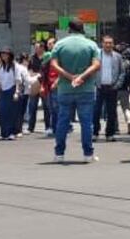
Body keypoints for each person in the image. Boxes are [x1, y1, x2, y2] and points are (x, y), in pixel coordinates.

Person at [50, 20, 101, 163]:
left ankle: (59, 154)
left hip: (65, 89)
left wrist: (68, 76)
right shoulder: (91, 44)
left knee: (62, 121)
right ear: (82, 29)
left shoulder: (60, 44)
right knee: (86, 122)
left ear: (69, 29)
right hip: (86, 88)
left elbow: (53, 64)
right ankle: (88, 154)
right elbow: (96, 65)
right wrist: (82, 76)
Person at [93, 36, 123, 142]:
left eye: (110, 43)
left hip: (112, 87)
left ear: (113, 44)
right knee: (96, 111)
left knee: (111, 112)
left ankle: (110, 133)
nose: (108, 45)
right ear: (102, 44)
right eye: (106, 43)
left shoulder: (118, 57)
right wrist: (94, 83)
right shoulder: (96, 56)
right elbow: (91, 70)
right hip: (99, 87)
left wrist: (117, 84)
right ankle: (95, 132)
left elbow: (122, 72)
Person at [0, 48, 23, 140]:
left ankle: (11, 132)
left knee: (11, 113)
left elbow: (18, 80)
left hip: (12, 89)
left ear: (10, 55)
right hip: (3, 91)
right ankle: (3, 132)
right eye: (2, 54)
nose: (3, 56)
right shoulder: (0, 67)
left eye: (5, 54)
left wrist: (17, 92)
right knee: (0, 113)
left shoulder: (15, 66)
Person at [116, 43, 130, 136]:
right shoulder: (129, 64)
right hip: (125, 89)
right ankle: (129, 121)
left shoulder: (117, 62)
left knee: (112, 108)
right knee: (126, 108)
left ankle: (115, 128)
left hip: (115, 88)